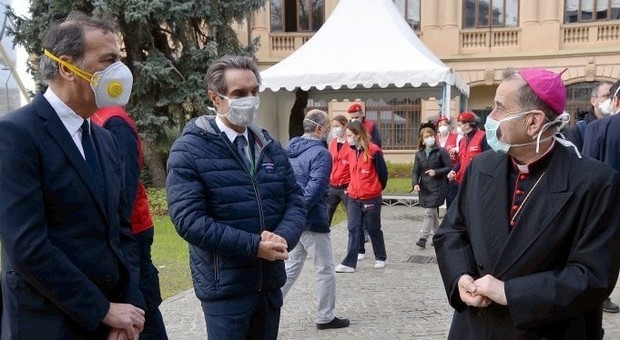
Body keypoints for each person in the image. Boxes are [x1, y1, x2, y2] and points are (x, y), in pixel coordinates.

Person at [434, 67, 620, 339]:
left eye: (499, 108)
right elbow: (452, 231)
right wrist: (460, 277)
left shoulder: (596, 183)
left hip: (547, 330)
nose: (491, 118)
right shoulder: (481, 167)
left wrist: (510, 293)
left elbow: (593, 276)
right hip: (476, 328)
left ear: (533, 122)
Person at [0, 12, 146, 339]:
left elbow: (121, 233)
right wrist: (102, 310)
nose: (120, 71)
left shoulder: (104, 139)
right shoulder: (15, 135)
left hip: (110, 322)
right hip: (47, 324)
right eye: (108, 60)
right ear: (67, 67)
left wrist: (129, 308)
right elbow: (27, 246)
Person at [166, 55, 306, 339]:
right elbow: (189, 220)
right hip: (225, 288)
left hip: (268, 284)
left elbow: (295, 199)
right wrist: (254, 246)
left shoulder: (268, 145)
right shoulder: (190, 150)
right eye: (239, 94)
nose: (250, 99)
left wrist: (283, 238)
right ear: (215, 98)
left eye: (254, 91)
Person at [92, 106, 168, 338]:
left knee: (139, 303)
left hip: (129, 231)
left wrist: (111, 234)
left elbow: (124, 188)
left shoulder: (114, 121)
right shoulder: (93, 118)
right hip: (116, 232)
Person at [282, 109, 350, 330]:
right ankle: (325, 316)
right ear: (320, 129)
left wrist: (291, 213)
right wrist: (299, 211)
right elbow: (316, 186)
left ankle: (267, 304)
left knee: (291, 266)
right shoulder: (321, 154)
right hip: (310, 219)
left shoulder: (289, 149)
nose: (332, 131)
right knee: (324, 268)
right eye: (329, 127)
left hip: (294, 218)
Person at [335, 120, 388, 273]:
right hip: (354, 196)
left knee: (373, 228)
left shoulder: (374, 151)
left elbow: (383, 175)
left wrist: (374, 189)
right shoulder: (350, 150)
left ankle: (381, 256)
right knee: (353, 228)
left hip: (371, 196)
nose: (348, 138)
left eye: (350, 135)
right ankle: (349, 263)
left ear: (358, 135)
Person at [412, 125, 451, 249]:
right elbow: (415, 171)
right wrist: (415, 184)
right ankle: (438, 236)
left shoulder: (441, 151)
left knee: (428, 212)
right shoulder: (419, 154)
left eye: (431, 136)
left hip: (438, 187)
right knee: (433, 213)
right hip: (425, 187)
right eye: (427, 137)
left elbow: (448, 167)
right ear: (422, 140)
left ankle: (423, 237)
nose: (430, 139)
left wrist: (436, 172)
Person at [564, 81, 613, 151]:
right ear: (593, 101)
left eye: (613, 96)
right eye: (606, 96)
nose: (611, 100)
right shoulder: (579, 130)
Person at [446, 111, 488, 185]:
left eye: (459, 125)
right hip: (463, 179)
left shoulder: (483, 137)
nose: (457, 128)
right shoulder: (462, 140)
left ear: (467, 125)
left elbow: (487, 159)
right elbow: (460, 160)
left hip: (477, 179)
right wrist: (453, 170)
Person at [326, 114, 351, 226]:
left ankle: (361, 233)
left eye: (337, 126)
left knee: (352, 214)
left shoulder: (351, 143)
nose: (334, 129)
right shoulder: (333, 142)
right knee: (326, 215)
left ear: (345, 126)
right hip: (332, 185)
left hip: (346, 185)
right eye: (333, 126)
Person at [435, 116, 460, 208]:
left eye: (445, 124)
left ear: (449, 126)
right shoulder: (435, 138)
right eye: (440, 125)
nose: (442, 127)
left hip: (452, 170)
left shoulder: (456, 137)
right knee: (437, 197)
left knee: (451, 196)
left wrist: (456, 149)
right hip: (439, 171)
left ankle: (450, 217)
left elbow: (462, 149)